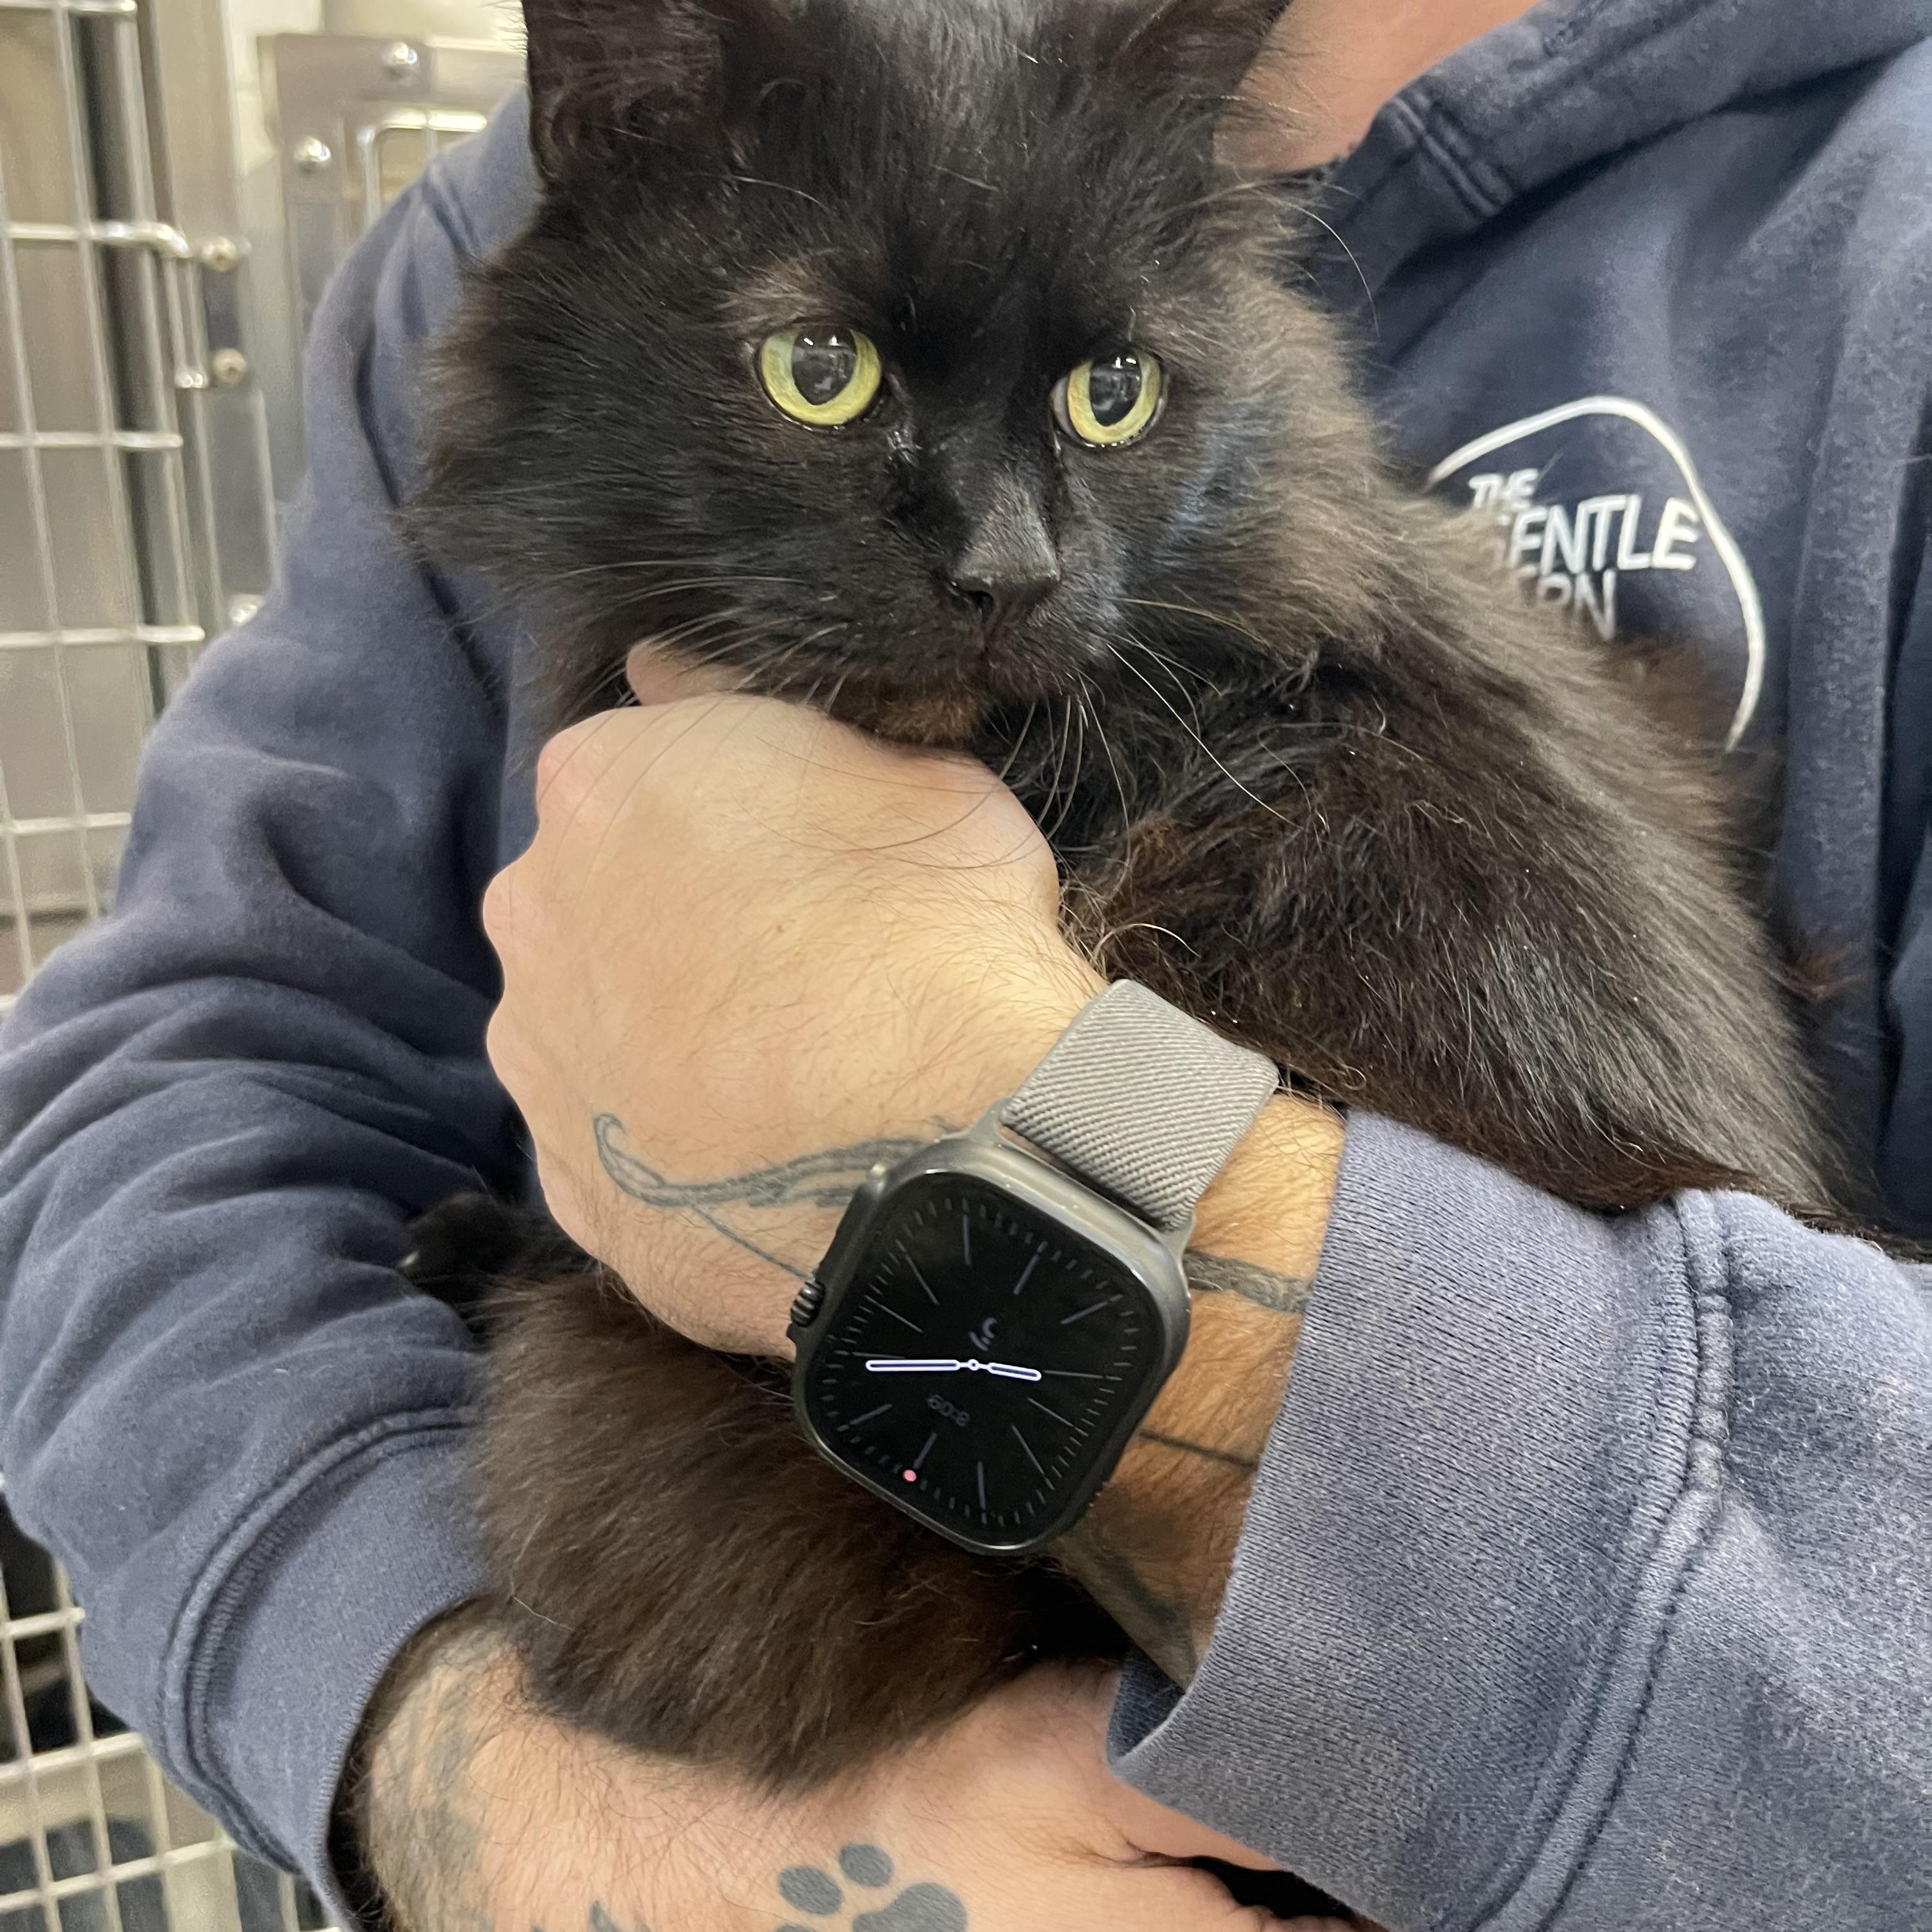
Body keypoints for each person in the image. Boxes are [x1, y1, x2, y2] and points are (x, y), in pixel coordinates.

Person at [0, 0, 1927, 1927]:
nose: (1009, 560)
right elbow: (178, 1087)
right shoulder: (594, 166)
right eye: (827, 373)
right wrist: (493, 1790)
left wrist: (981, 1127)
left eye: (1110, 405)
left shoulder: (1882, 229)